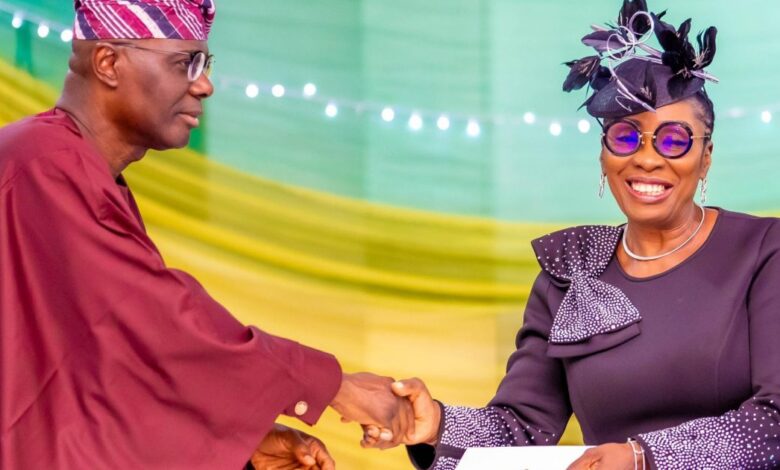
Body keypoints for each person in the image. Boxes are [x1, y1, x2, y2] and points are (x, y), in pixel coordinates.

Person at [363, 1, 780, 469]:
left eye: (673, 140)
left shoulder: (766, 251)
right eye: (625, 137)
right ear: (604, 155)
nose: (646, 159)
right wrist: (435, 423)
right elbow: (519, 431)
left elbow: (777, 419)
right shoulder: (570, 271)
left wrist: (645, 458)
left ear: (705, 158)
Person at [0, 1, 414, 468]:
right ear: (108, 63)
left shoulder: (67, 166)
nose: (205, 85)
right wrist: (334, 387)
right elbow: (156, 322)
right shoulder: (43, 165)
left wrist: (242, 443)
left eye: (205, 64)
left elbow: (104, 371)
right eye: (184, 63)